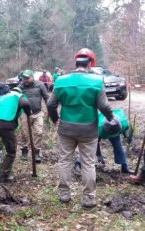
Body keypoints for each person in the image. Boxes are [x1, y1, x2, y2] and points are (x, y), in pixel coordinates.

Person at [47, 48, 114, 208]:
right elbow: (104, 106)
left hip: (66, 128)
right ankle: (89, 199)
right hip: (89, 129)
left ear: (76, 63)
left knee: (64, 161)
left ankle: (64, 195)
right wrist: (112, 118)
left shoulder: (61, 80)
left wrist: (56, 119)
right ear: (90, 64)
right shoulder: (97, 81)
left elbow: (50, 104)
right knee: (88, 163)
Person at [0, 88, 31, 181]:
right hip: (6, 124)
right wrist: (28, 112)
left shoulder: (2, 97)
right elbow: (26, 104)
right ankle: (4, 174)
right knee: (11, 151)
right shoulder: (18, 96)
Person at [75, 109, 133, 174]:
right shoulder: (97, 127)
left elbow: (128, 130)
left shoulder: (123, 122)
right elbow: (95, 143)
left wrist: (129, 138)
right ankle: (78, 163)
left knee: (118, 146)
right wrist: (99, 155)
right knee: (89, 147)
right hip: (100, 130)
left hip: (116, 130)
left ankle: (124, 167)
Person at [18, 69, 49, 163]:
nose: (25, 80)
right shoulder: (20, 86)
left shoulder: (40, 85)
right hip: (25, 113)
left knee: (39, 132)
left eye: (27, 78)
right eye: (24, 78)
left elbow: (46, 97)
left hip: (38, 112)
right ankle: (24, 150)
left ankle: (36, 152)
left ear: (32, 77)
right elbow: (16, 99)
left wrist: (50, 109)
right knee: (25, 133)